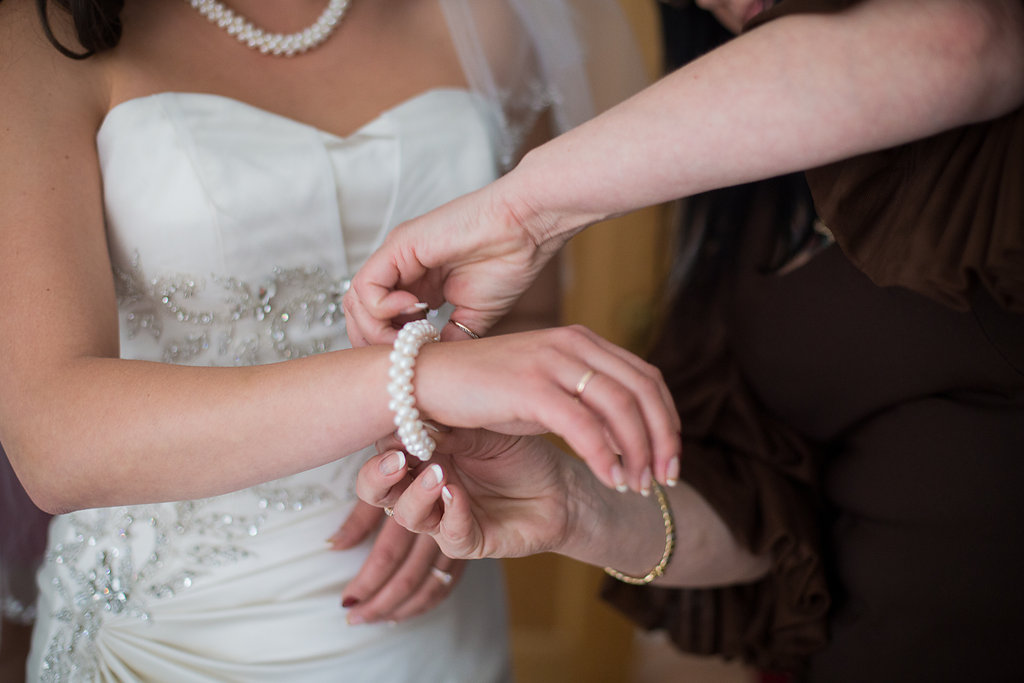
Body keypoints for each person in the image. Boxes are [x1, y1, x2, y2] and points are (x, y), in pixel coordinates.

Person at [0, 0, 681, 680]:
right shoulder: (39, 30)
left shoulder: (493, 13)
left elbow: (523, 306)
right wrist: (417, 382)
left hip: (431, 598)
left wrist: (456, 471)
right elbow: (53, 440)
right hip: (169, 631)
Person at [346, 0, 1024, 680]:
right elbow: (772, 523)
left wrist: (524, 212)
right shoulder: (753, 193)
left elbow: (965, 43)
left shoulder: (974, 62)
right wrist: (579, 508)